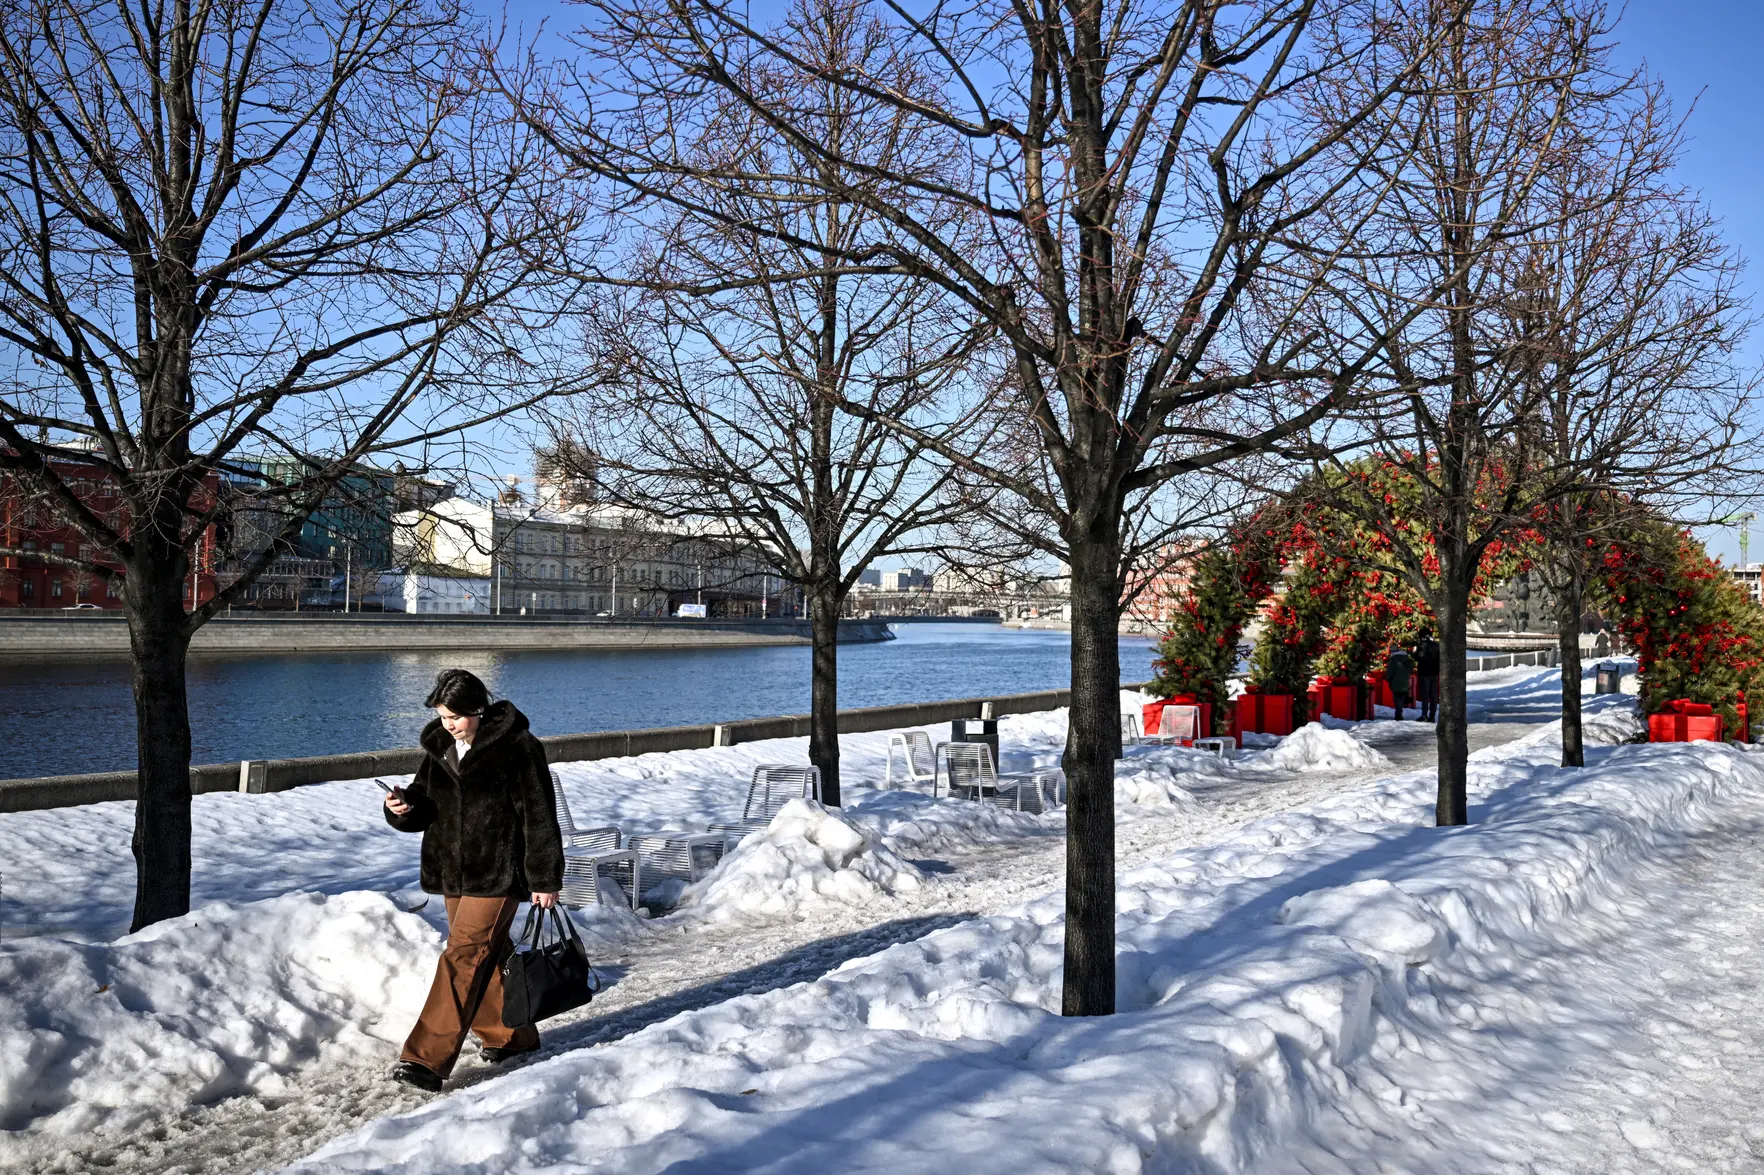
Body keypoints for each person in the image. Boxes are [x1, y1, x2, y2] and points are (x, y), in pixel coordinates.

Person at [382, 669, 565, 1092]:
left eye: (456, 717)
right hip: (452, 871)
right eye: (443, 716)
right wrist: (402, 806)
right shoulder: (440, 748)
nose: (449, 724)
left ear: (479, 709)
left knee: (464, 954)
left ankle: (424, 1059)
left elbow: (539, 818)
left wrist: (544, 876)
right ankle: (511, 1036)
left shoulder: (520, 748)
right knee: (484, 952)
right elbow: (425, 806)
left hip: (499, 873)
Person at [1413, 627, 1441, 722]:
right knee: (1433, 696)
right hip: (1434, 673)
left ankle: (1424, 715)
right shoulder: (1437, 645)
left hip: (1424, 673)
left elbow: (1419, 657)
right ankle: (1432, 716)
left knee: (1425, 695)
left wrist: (1414, 652)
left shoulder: (1421, 646)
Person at [1385, 643, 1413, 720]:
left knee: (1397, 698)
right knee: (1402, 696)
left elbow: (1390, 672)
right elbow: (1411, 669)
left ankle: (1398, 714)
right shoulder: (1406, 658)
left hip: (1395, 681)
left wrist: (1388, 679)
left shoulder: (1393, 660)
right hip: (1405, 681)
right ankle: (1399, 712)